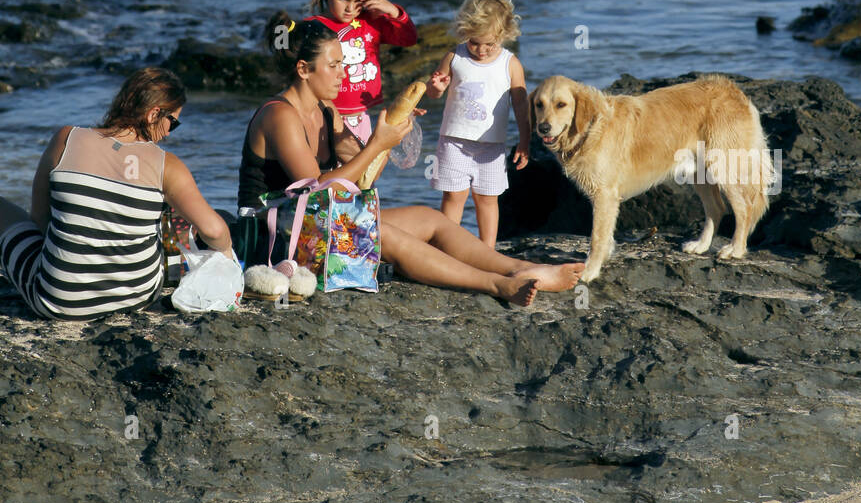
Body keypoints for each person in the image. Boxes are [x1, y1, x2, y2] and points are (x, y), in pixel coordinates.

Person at [240, 16, 582, 305]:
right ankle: (496, 284)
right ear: (303, 69)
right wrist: (376, 144)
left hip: (314, 223)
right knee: (380, 234)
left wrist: (390, 137)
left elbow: (363, 180)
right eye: (333, 66)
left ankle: (517, 266)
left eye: (343, 63)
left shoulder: (326, 110)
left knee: (428, 218)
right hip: (274, 236)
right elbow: (316, 189)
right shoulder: (280, 116)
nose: (343, 74)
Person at [0, 68, 232, 320]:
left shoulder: (66, 139)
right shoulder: (167, 165)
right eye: (172, 123)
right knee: (169, 217)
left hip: (59, 301)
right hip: (138, 296)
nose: (167, 133)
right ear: (154, 114)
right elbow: (214, 231)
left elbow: (39, 218)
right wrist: (228, 255)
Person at [425, 0, 529, 247]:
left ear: (504, 34)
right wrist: (436, 87)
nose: (481, 50)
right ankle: (447, 248)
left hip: (491, 147)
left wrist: (525, 140)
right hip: (454, 142)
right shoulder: (455, 57)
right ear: (464, 32)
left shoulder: (510, 64)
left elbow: (521, 104)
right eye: (474, 42)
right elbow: (434, 93)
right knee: (454, 197)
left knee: (487, 198)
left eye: (489, 44)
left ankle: (487, 250)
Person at [307, 0, 417, 146]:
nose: (350, 8)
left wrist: (392, 11)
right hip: (323, 116)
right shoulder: (313, 26)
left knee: (363, 171)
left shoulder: (373, 23)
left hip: (361, 117)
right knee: (330, 173)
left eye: (358, 1)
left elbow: (408, 39)